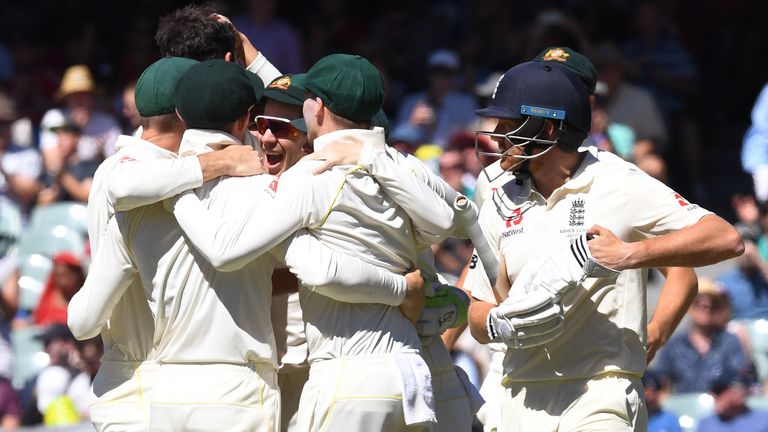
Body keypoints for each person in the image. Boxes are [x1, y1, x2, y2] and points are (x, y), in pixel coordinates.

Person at [70, 59, 424, 432]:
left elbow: (81, 322)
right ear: (244, 122)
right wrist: (401, 287)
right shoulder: (270, 192)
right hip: (240, 391)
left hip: (168, 393)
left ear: (182, 115)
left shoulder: (134, 206)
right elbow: (315, 268)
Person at [167, 54, 459, 431]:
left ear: (315, 117)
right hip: (396, 373)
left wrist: (178, 187)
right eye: (260, 124)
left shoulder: (309, 179)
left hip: (345, 372)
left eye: (284, 126)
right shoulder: (394, 172)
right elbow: (450, 219)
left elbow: (241, 254)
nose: (266, 135)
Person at [463, 60, 743, 431]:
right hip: (519, 393)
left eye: (508, 125)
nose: (496, 136)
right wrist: (499, 323)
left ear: (548, 127)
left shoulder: (617, 180)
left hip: (601, 391)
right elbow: (477, 309)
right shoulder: (499, 195)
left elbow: (725, 237)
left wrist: (632, 254)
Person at [651, 278, 755, 393]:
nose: (706, 305)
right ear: (688, 307)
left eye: (712, 302)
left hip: (724, 408)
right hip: (684, 408)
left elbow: (742, 377)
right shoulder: (674, 345)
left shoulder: (730, 341)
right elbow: (662, 383)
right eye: (698, 301)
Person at [38, 65, 121, 175]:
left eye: (85, 95)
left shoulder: (107, 124)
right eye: (74, 95)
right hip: (62, 184)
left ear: (92, 97)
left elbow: (116, 168)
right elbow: (52, 165)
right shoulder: (53, 118)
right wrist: (74, 130)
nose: (80, 101)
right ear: (66, 98)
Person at [392, 48, 477, 148]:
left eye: (447, 73)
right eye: (436, 72)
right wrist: (412, 124)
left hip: (452, 158)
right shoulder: (412, 101)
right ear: (429, 75)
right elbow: (396, 140)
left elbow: (473, 137)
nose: (441, 78)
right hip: (417, 156)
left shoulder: (466, 103)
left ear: (455, 76)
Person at [697, 369, 768, 432]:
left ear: (738, 393)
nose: (714, 396)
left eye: (718, 391)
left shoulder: (764, 421)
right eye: (712, 392)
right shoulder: (705, 424)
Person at [32, 252, 84, 326]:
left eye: (67, 275)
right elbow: (39, 322)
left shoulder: (84, 299)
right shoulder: (48, 298)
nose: (63, 282)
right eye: (59, 276)